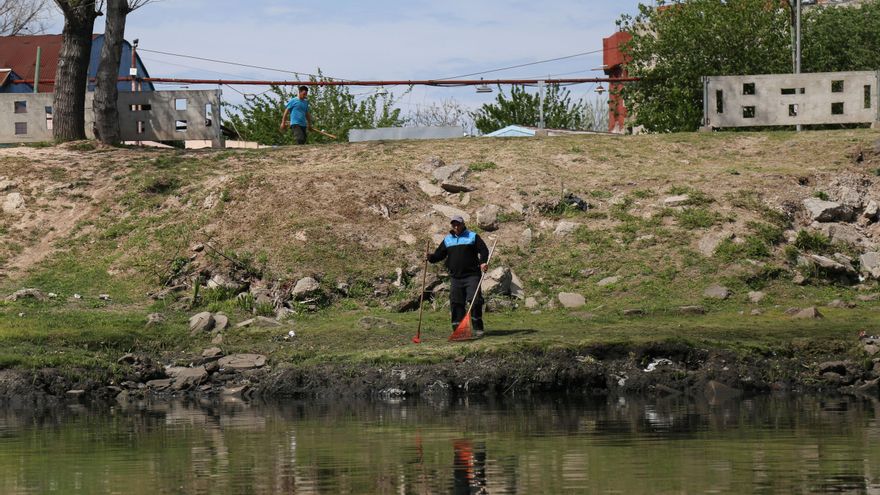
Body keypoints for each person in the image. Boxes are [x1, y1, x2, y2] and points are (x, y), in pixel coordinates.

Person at [427, 215, 490, 336]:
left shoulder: (472, 236)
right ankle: (458, 330)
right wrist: (430, 258)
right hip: (455, 277)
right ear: (452, 225)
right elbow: (438, 255)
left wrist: (483, 263)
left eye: (458, 224)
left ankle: (478, 328)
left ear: (463, 224)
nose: (456, 226)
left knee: (474, 300)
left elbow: (483, 250)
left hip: (472, 275)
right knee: (456, 303)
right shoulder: (447, 240)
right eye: (454, 224)